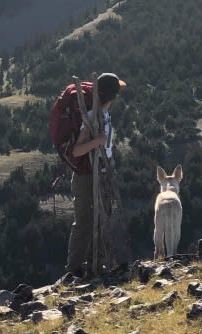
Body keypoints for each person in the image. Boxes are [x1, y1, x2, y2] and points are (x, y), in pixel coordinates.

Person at [65, 72, 126, 276]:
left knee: (100, 218)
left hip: (102, 174)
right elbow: (76, 151)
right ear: (113, 96)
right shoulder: (91, 117)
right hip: (87, 177)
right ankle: (74, 269)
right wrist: (97, 141)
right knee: (84, 221)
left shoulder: (104, 115)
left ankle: (95, 264)